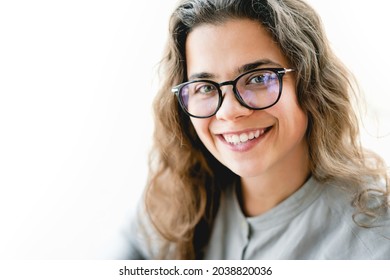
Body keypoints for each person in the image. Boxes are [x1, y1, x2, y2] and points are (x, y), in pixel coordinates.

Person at [126, 0, 390, 259]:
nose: (228, 111)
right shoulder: (175, 197)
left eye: (258, 78)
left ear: (310, 85)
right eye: (205, 87)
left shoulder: (375, 243)